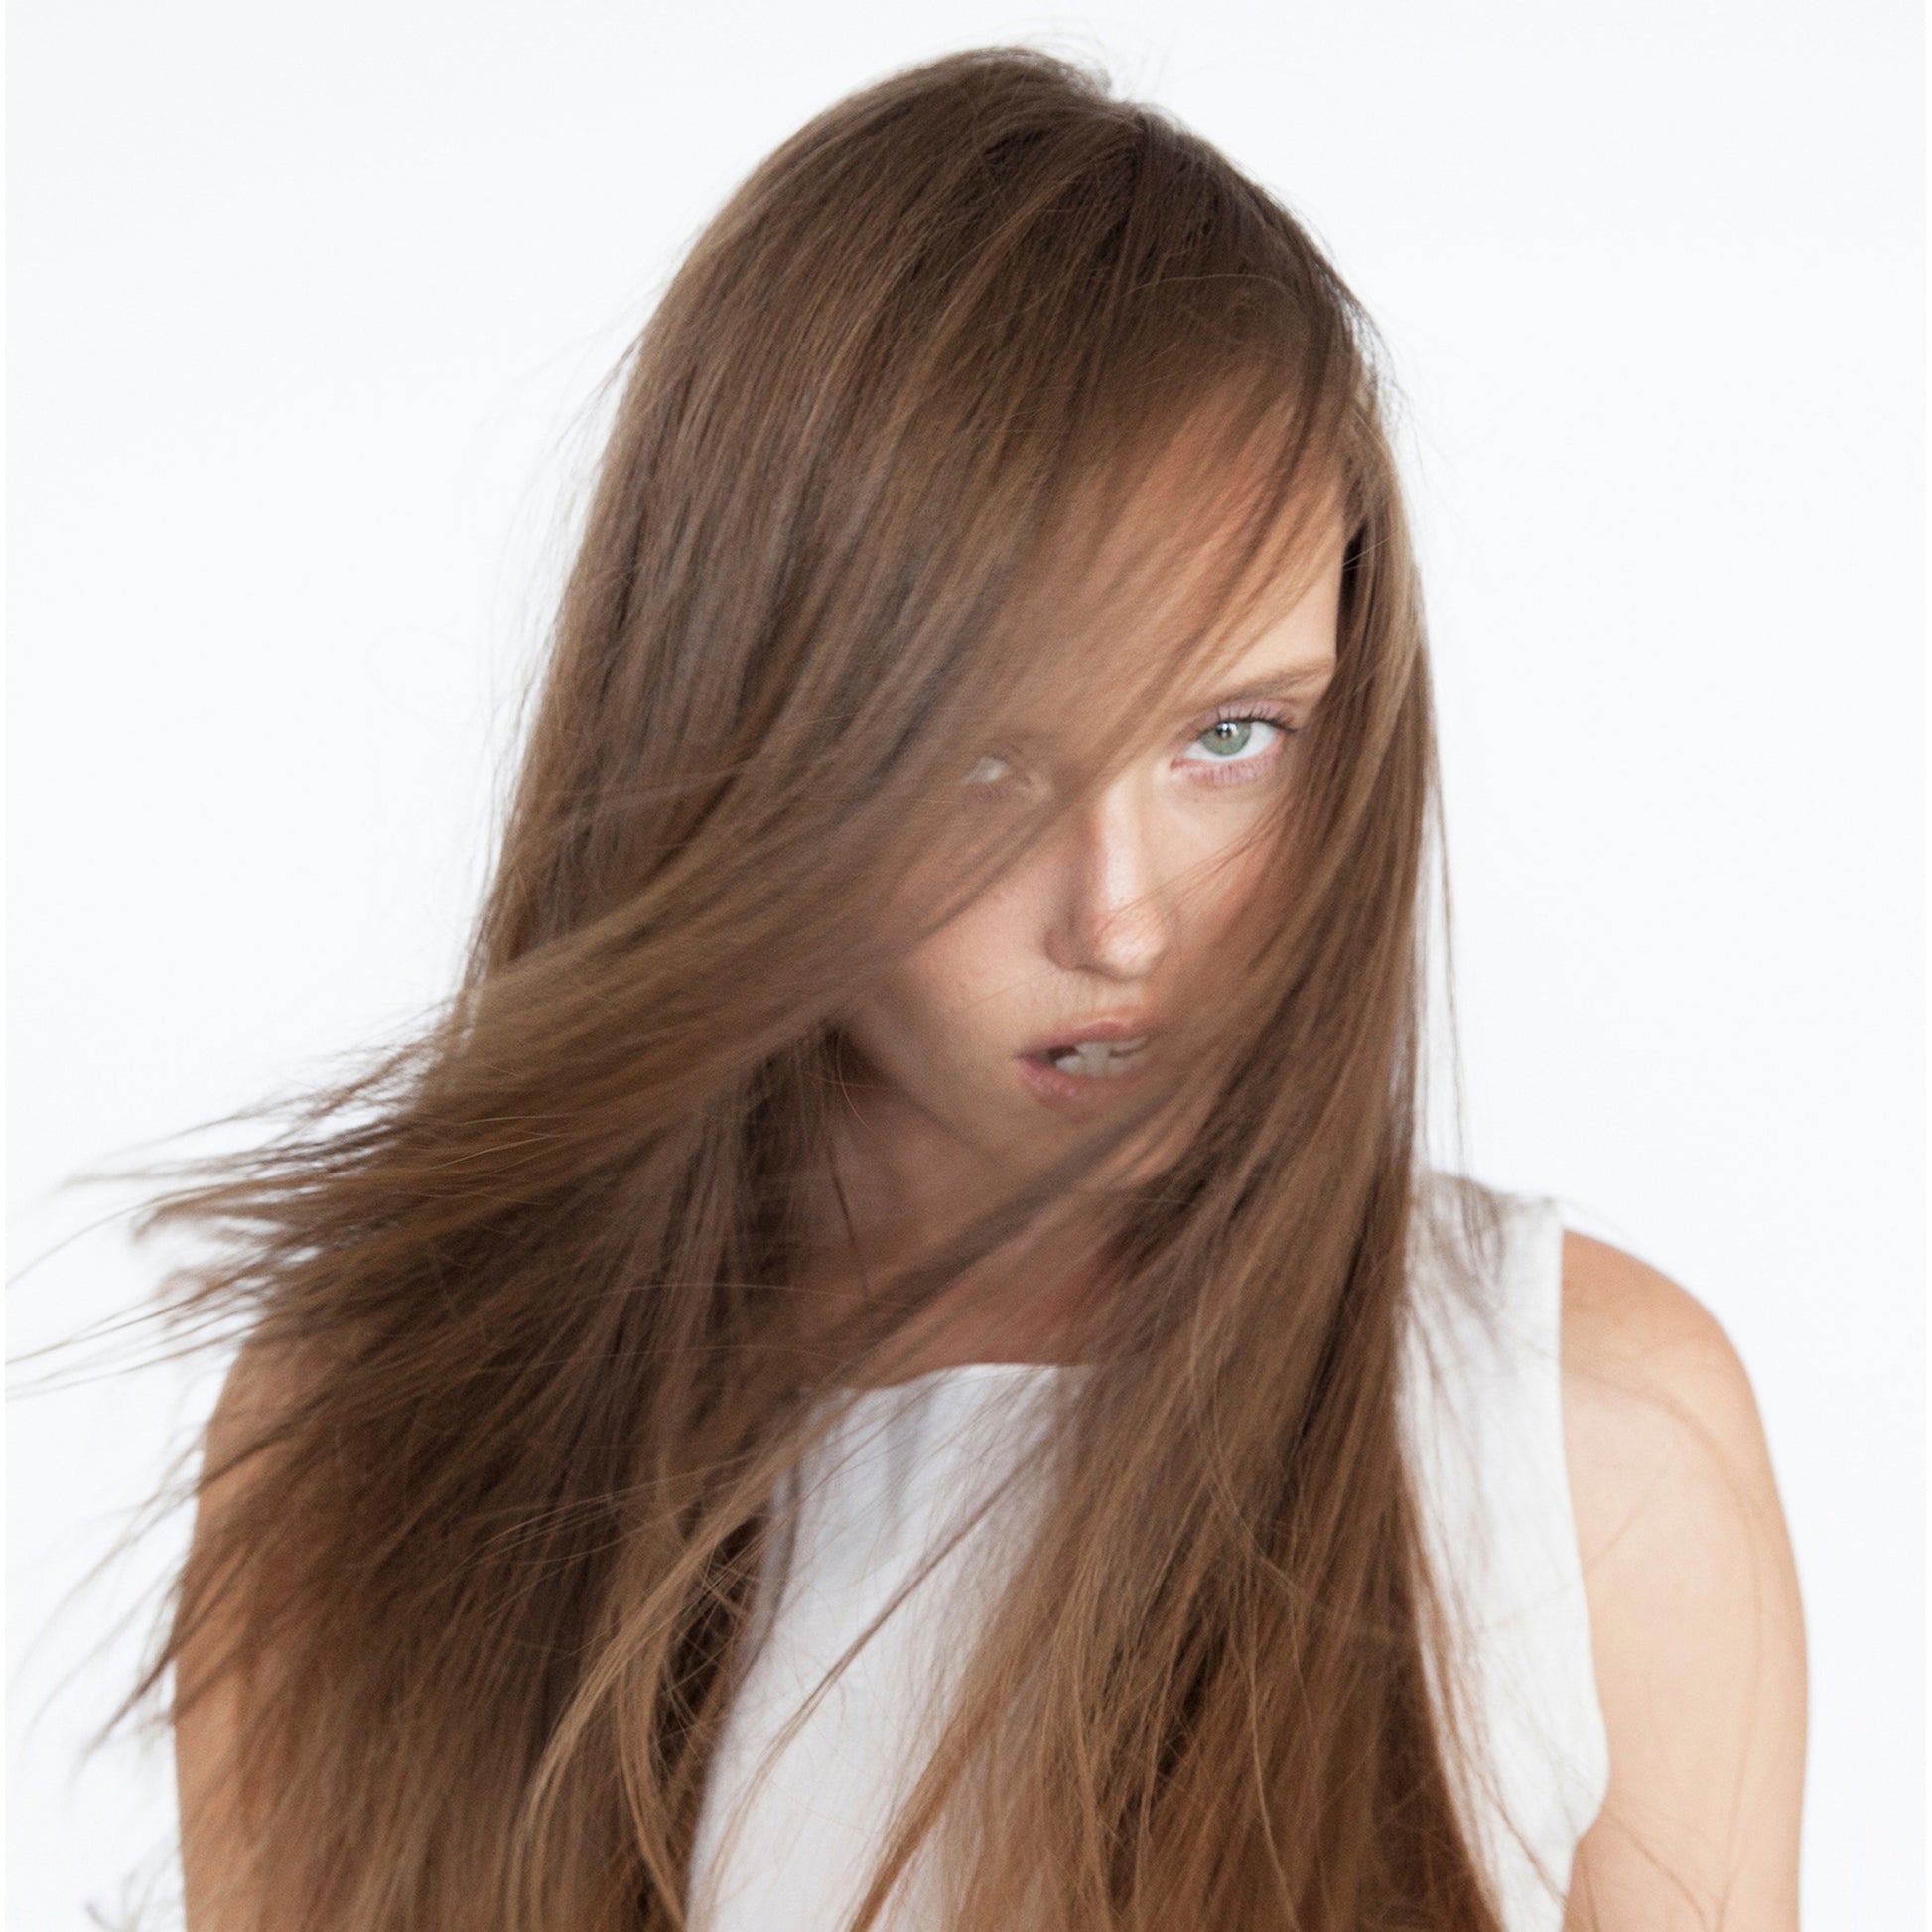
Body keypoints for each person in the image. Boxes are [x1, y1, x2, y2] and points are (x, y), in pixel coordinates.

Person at [135, 45, 1805, 1932]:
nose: (1121, 919)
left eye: (1230, 735)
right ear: (736, 729)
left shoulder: (1585, 1437)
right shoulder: (371, 1431)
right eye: (981, 762)